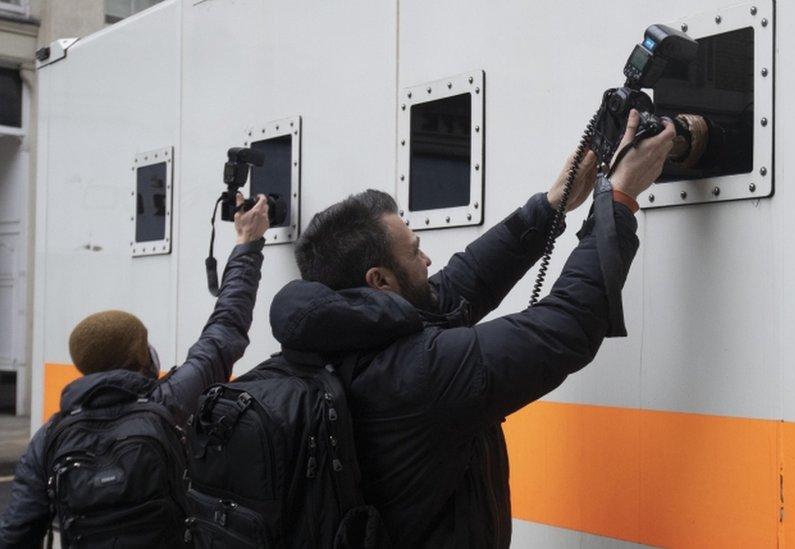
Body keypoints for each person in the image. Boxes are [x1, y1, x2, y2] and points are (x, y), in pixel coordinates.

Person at [269, 110, 675, 547]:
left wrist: (552, 205)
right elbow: (566, 326)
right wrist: (618, 201)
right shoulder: (417, 374)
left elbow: (458, 287)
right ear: (379, 280)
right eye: (415, 252)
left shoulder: (335, 339)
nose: (427, 263)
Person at [0, 195, 271, 548]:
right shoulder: (170, 401)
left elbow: (17, 532)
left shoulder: (50, 437)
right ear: (144, 358)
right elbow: (225, 328)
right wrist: (247, 244)